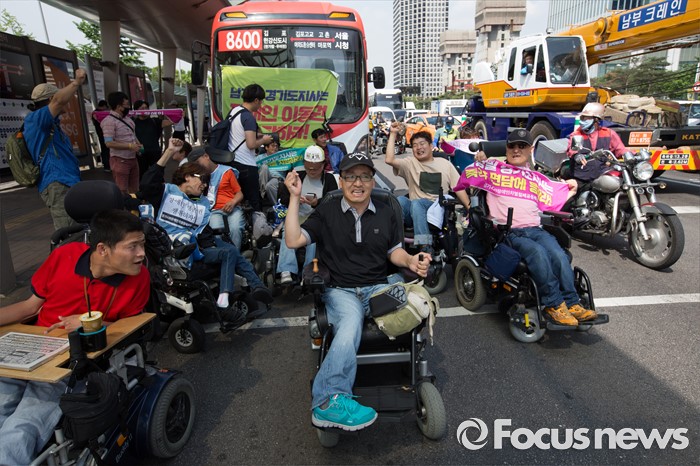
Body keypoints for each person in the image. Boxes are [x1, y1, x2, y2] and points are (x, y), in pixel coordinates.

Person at [283, 151, 431, 431]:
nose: (358, 183)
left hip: (378, 287)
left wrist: (411, 260)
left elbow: (394, 252)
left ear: (373, 181)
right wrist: (294, 197)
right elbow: (293, 240)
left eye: (364, 176)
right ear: (341, 181)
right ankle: (328, 401)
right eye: (351, 176)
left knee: (419, 304)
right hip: (342, 290)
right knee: (350, 323)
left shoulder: (386, 211)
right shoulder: (327, 211)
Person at [0, 209, 150, 464]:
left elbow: (130, 327)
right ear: (102, 249)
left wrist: (91, 321)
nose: (142, 254)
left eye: (142, 245)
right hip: (33, 349)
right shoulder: (64, 256)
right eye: (133, 246)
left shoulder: (139, 278)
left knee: (24, 422)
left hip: (75, 362)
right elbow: (30, 307)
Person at [454, 129, 597, 326]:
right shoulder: (492, 170)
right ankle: (554, 305)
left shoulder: (536, 178)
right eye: (512, 146)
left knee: (558, 254)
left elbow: (554, 196)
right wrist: (480, 161)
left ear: (531, 149)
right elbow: (467, 178)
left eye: (522, 146)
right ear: (506, 149)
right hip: (509, 232)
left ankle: (573, 304)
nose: (516, 150)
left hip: (535, 229)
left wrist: (570, 187)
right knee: (537, 252)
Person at [139, 138, 273, 309]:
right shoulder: (167, 193)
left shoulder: (201, 202)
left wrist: (213, 244)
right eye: (201, 180)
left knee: (231, 250)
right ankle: (240, 291)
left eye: (206, 182)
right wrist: (169, 151)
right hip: (179, 249)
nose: (204, 185)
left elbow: (203, 232)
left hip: (200, 242)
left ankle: (256, 286)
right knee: (228, 252)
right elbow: (147, 184)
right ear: (187, 177)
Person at [385, 124, 468, 250]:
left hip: (437, 210)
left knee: (418, 203)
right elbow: (389, 160)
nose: (418, 147)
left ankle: (425, 247)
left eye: (422, 144)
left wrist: (469, 208)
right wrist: (392, 133)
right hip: (414, 212)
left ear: (431, 146)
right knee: (399, 201)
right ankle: (394, 244)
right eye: (414, 145)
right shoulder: (410, 163)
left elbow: (458, 188)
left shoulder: (445, 164)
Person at [23, 70, 87, 230]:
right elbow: (59, 101)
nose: (66, 102)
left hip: (67, 181)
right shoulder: (37, 119)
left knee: (78, 228)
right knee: (68, 231)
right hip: (58, 183)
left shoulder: (51, 124)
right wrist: (76, 82)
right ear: (51, 99)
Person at [275, 145, 338, 284]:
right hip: (298, 216)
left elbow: (333, 202)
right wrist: (294, 198)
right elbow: (283, 199)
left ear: (323, 165)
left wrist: (316, 203)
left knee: (314, 239)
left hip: (318, 218)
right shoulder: (297, 175)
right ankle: (286, 269)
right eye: (308, 168)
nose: (312, 171)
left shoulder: (329, 179)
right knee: (287, 232)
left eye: (316, 168)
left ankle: (308, 271)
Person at [226, 84, 275, 212]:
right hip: (246, 164)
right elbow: (251, 144)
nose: (261, 105)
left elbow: (238, 134)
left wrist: (257, 134)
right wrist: (264, 140)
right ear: (256, 100)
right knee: (253, 201)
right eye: (261, 101)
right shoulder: (248, 117)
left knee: (239, 200)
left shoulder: (234, 112)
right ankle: (257, 222)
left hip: (232, 161)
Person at [189, 146, 247, 251]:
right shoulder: (199, 177)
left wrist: (233, 202)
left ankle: (236, 255)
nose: (198, 166)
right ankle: (222, 255)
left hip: (233, 207)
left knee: (236, 228)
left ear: (206, 156)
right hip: (213, 211)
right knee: (216, 231)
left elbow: (239, 194)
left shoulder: (226, 172)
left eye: (198, 162)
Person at [566, 102, 627, 184]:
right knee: (572, 188)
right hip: (582, 176)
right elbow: (572, 150)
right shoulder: (577, 134)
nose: (582, 121)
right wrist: (577, 155)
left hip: (603, 175)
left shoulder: (608, 133)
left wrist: (633, 155)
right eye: (582, 118)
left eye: (585, 118)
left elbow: (620, 149)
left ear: (596, 120)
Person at [102, 91, 142, 194]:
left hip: (133, 159)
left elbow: (133, 135)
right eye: (127, 105)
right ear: (119, 106)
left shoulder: (128, 120)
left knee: (135, 189)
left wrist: (138, 145)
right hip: (120, 160)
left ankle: (134, 204)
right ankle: (124, 204)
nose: (129, 107)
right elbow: (109, 143)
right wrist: (129, 146)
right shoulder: (109, 121)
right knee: (122, 190)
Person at [133, 99, 173, 180]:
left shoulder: (155, 121)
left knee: (158, 173)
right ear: (136, 110)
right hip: (141, 153)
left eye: (146, 108)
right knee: (142, 175)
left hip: (155, 152)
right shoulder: (132, 123)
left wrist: (177, 114)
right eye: (142, 108)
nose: (145, 110)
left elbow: (171, 121)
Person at [257, 133, 284, 205]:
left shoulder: (282, 156)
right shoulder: (260, 157)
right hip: (263, 178)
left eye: (276, 146)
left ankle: (277, 207)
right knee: (264, 167)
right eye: (272, 146)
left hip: (276, 178)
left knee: (269, 186)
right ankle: (263, 193)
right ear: (266, 147)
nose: (275, 148)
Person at [93, 100, 111, 173]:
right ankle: (107, 165)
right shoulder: (99, 114)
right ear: (104, 106)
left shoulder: (94, 113)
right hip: (105, 133)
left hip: (100, 134)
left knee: (104, 149)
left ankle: (106, 165)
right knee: (107, 149)